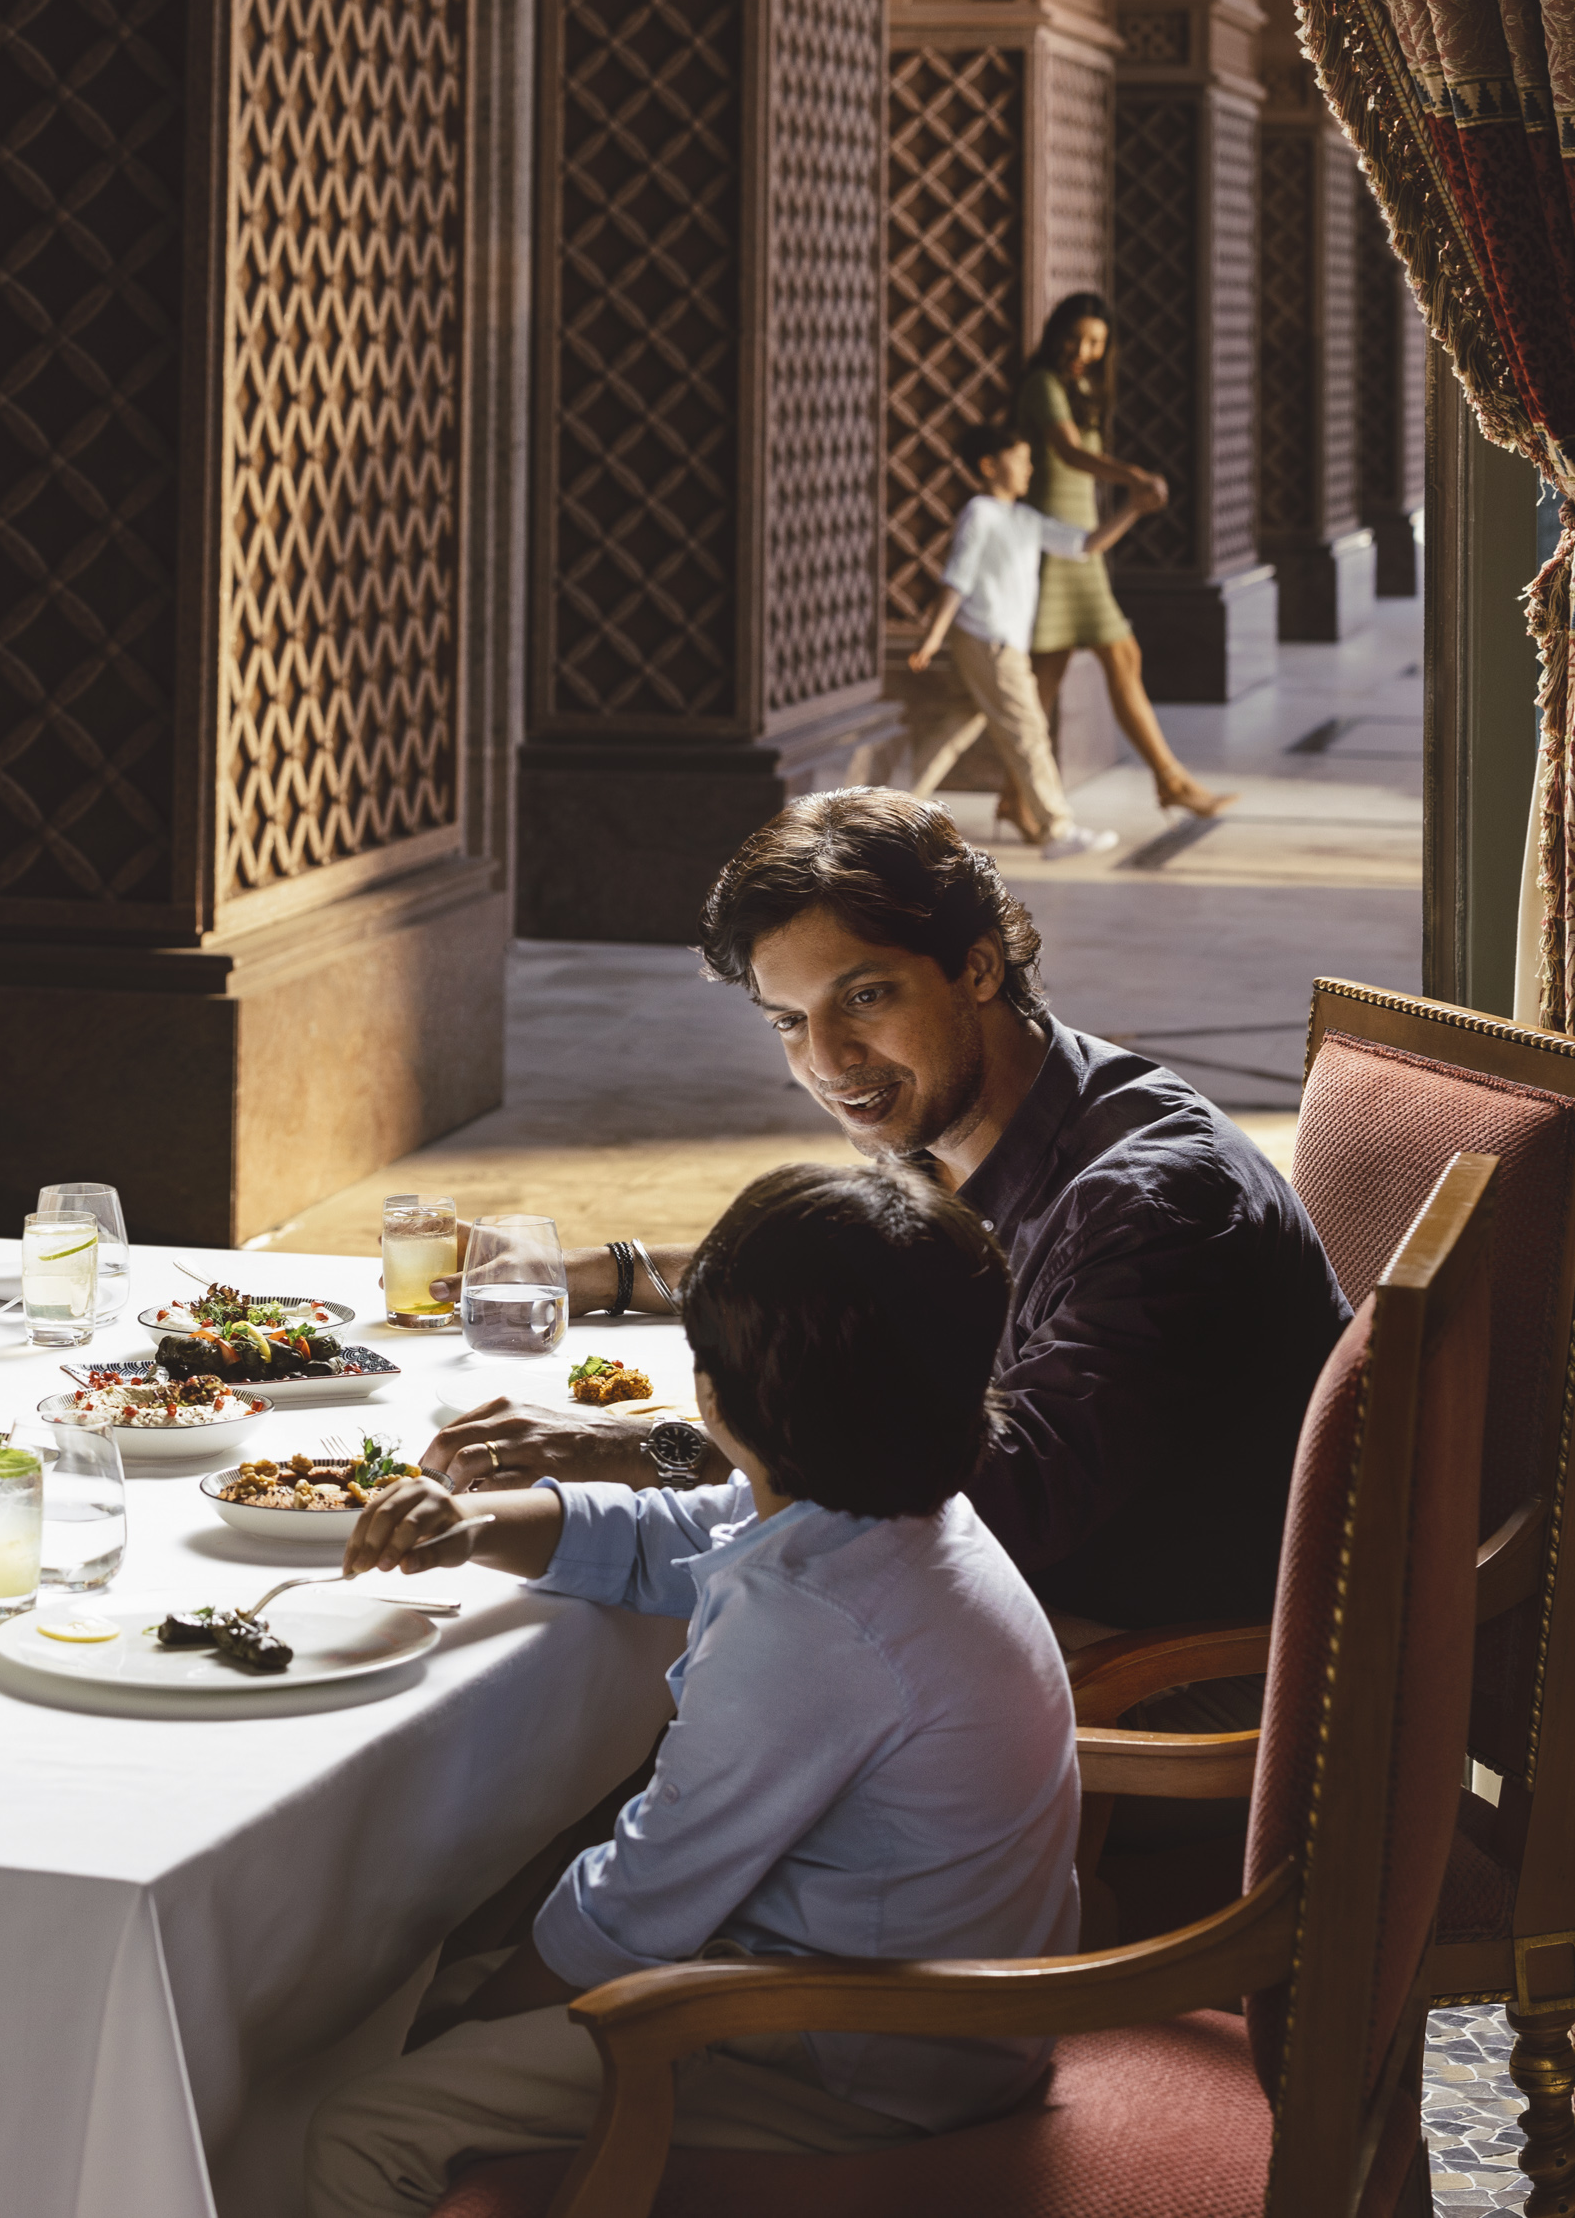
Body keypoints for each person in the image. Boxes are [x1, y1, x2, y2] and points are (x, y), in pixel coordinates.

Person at [300, 1163, 1082, 2217]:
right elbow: (680, 1532)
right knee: (424, 1995)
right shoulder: (893, 1509)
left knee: (365, 2120)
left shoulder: (810, 1626)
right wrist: (477, 1525)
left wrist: (469, 2025)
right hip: (928, 2007)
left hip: (858, 2063)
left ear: (709, 1394)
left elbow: (639, 1905)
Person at [427, 789, 1343, 1640]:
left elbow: (1002, 1499)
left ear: (977, 967)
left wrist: (655, 1447)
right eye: (789, 1020)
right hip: (993, 1597)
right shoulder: (971, 1118)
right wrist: (602, 1273)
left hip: (1118, 1656)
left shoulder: (1150, 1199)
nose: (828, 1059)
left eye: (864, 998)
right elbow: (841, 1269)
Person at [1012, 291, 1235, 821]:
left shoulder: (1079, 385)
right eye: (1076, 337)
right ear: (1055, 333)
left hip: (1076, 545)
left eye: (1095, 342)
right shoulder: (1042, 383)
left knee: (1053, 675)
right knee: (1099, 660)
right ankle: (1169, 779)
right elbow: (1067, 452)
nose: (1083, 349)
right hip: (1054, 544)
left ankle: (1015, 795)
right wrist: (1134, 476)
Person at [896, 413, 1137, 861]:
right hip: (988, 640)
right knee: (1028, 732)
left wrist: (1133, 508)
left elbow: (1086, 545)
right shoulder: (980, 514)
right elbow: (957, 580)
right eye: (1020, 459)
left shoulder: (1023, 519)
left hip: (1001, 643)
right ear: (989, 466)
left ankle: (884, 816)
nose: (1029, 469)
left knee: (957, 725)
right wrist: (932, 637)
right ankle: (1056, 829)